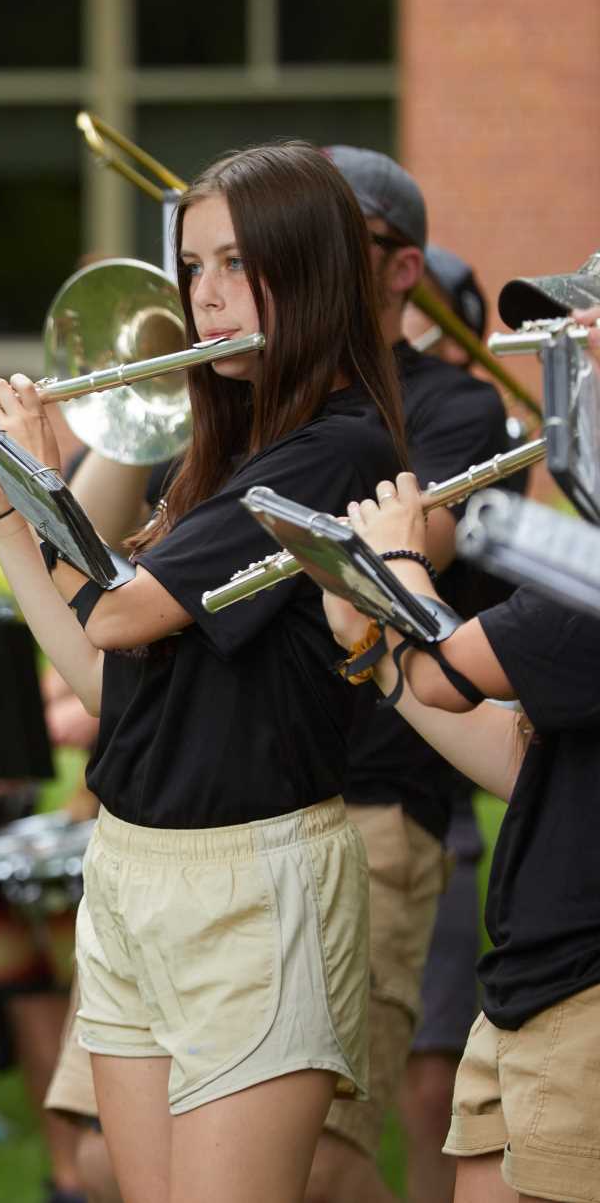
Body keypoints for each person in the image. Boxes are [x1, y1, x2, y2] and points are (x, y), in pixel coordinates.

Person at [0, 141, 408, 1203]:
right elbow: (107, 680)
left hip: (250, 882)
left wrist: (29, 480)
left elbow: (126, 611)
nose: (207, 296)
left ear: (313, 269)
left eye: (235, 265)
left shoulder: (336, 446)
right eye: (193, 269)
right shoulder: (215, 451)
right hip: (131, 867)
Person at [317, 312, 600, 1203]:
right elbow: (522, 759)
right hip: (529, 982)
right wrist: (376, 655)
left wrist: (395, 558)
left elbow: (448, 671)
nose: (576, 379)